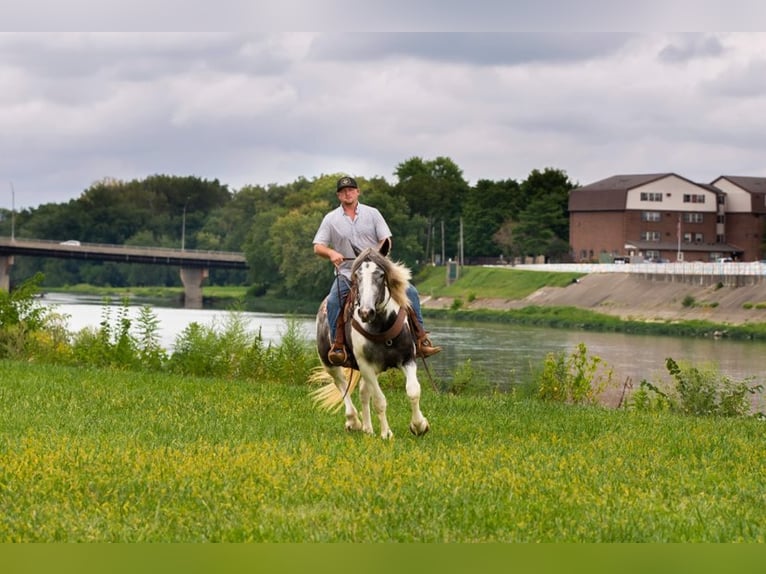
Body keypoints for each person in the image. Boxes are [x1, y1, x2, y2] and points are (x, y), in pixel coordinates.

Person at [313, 175, 442, 366]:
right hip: (349, 273)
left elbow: (386, 239)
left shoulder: (373, 213)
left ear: (357, 192)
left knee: (412, 292)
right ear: (338, 195)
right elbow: (318, 246)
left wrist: (377, 255)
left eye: (351, 190)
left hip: (377, 272)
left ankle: (420, 339)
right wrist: (331, 253)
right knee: (333, 301)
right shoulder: (330, 219)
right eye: (343, 191)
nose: (347, 193)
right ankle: (338, 345)